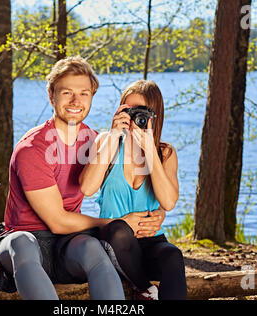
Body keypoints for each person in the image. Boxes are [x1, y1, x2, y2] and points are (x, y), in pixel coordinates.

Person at [0, 56, 160, 300]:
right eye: (67, 92)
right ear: (51, 96)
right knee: (22, 244)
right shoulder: (33, 148)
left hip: (67, 246)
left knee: (92, 248)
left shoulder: (96, 140)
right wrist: (120, 221)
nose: (75, 101)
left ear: (92, 96)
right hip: (22, 245)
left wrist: (155, 217)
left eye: (83, 93)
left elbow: (133, 187)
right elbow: (57, 221)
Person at [79, 80, 187, 300]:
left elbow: (168, 202)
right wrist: (112, 135)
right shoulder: (106, 142)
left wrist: (149, 150)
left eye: (141, 112)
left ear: (154, 116)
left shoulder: (165, 153)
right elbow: (87, 188)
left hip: (151, 242)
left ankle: (146, 290)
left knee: (173, 255)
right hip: (114, 243)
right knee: (119, 231)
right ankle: (145, 290)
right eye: (127, 110)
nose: (133, 118)